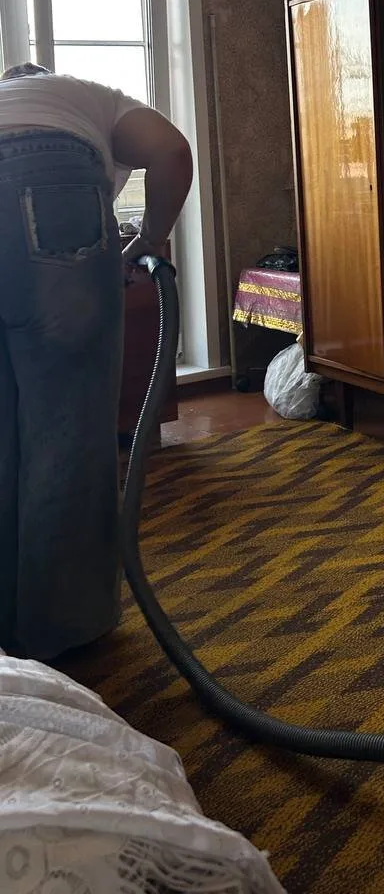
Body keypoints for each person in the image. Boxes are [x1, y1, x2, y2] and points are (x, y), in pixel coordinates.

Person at [0, 62, 193, 660]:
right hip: (49, 180)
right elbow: (171, 151)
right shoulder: (86, 97)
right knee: (69, 429)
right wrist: (151, 239)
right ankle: (64, 631)